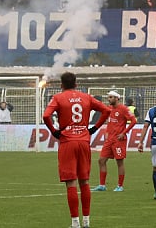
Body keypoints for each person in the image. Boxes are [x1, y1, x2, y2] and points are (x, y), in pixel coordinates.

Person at [43, 72, 111, 228]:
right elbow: (106, 110)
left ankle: (75, 223)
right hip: (84, 140)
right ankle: (86, 221)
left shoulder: (58, 98)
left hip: (67, 141)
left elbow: (46, 116)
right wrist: (94, 128)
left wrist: (54, 131)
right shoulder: (86, 97)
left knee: (71, 182)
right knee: (84, 181)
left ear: (62, 84)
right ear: (76, 83)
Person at [92, 90, 137, 192]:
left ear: (117, 98)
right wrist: (107, 132)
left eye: (111, 97)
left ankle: (120, 186)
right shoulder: (109, 109)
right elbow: (109, 122)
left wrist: (124, 132)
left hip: (119, 140)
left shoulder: (123, 109)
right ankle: (102, 185)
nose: (109, 99)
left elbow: (134, 121)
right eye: (109, 97)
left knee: (119, 162)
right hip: (110, 139)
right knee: (101, 160)